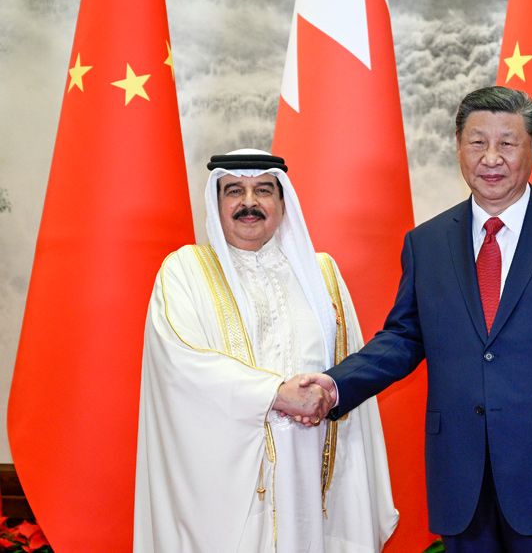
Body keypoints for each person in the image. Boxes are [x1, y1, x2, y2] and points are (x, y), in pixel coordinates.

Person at [300, 87, 532, 552]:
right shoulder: (427, 242)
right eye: (477, 142)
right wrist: (334, 385)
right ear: (458, 146)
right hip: (463, 477)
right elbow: (403, 337)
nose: (491, 158)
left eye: (508, 143)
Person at [133, 149, 398, 552]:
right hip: (227, 490)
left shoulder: (321, 274)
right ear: (216, 203)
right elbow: (181, 365)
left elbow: (349, 369)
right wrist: (277, 393)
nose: (249, 203)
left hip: (312, 475)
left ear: (282, 202)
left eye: (263, 190)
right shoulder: (185, 271)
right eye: (234, 191)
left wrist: (320, 396)